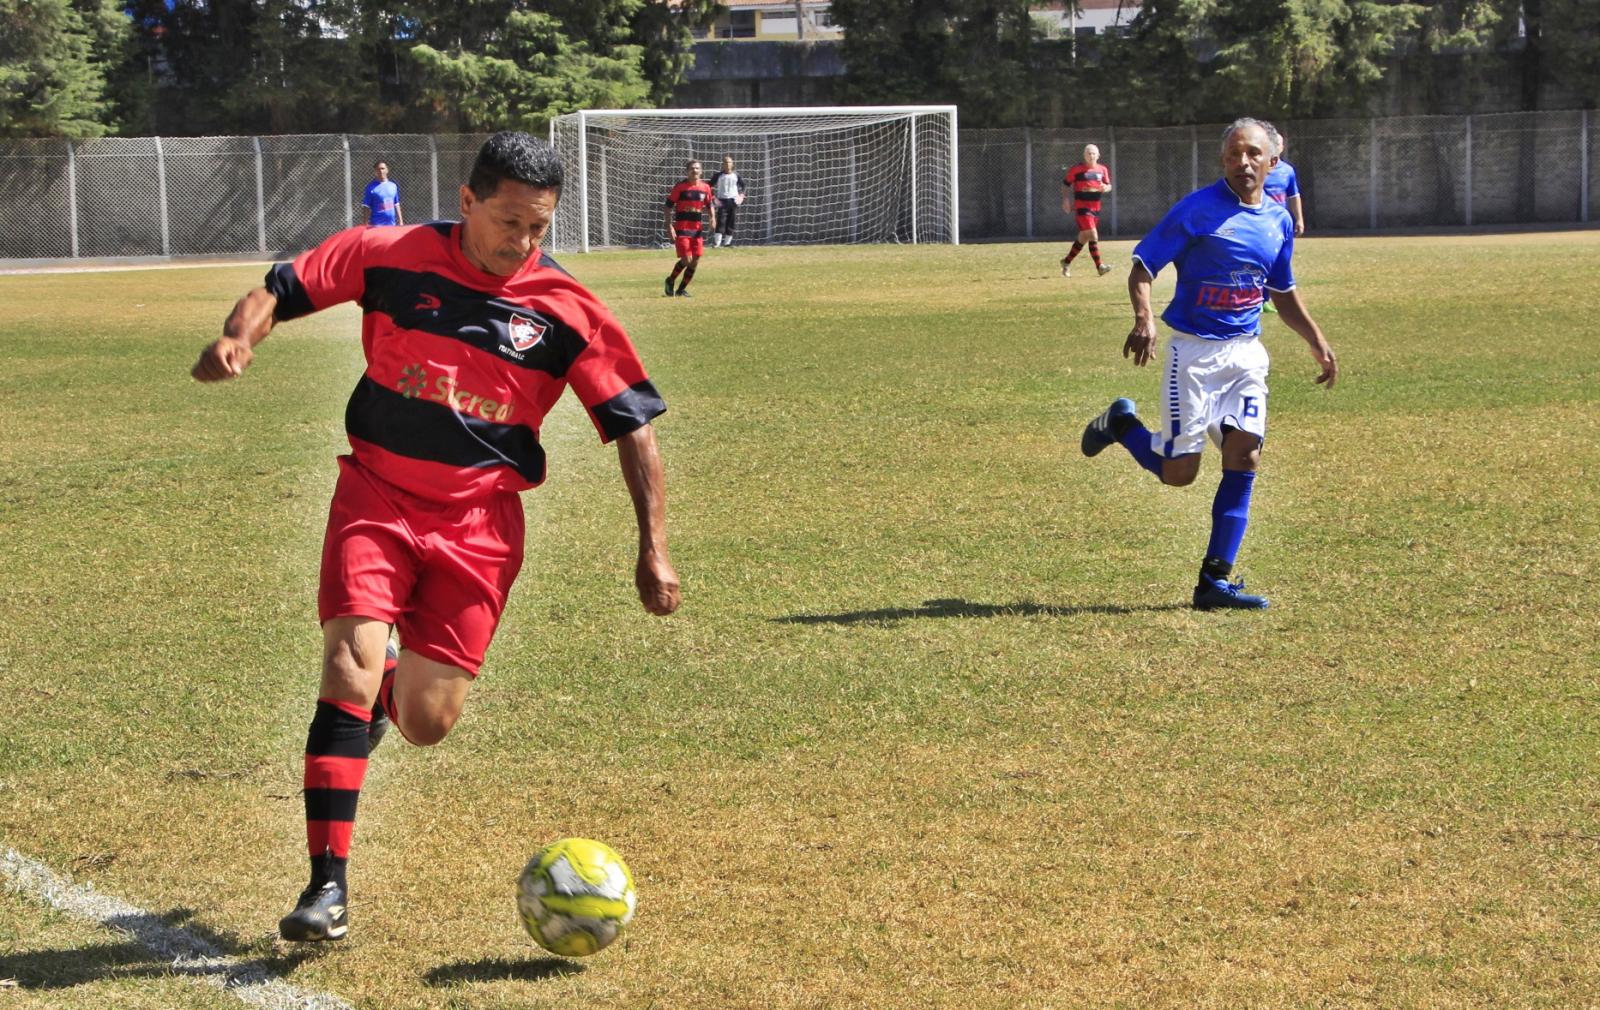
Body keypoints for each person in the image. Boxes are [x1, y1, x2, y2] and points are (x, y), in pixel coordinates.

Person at [191, 131, 681, 943]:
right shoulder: (391, 253)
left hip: (481, 527)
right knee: (344, 661)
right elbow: (280, 287)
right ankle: (327, 887)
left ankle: (393, 683)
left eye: (539, 226)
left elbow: (633, 426)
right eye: (510, 221)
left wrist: (652, 546)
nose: (523, 242)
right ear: (467, 201)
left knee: (425, 720)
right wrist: (240, 337)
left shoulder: (568, 310)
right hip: (376, 494)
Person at [1080, 117, 1337, 611]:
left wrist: (1317, 341)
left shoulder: (1279, 221)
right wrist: (1145, 319)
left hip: (1246, 355)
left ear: (1272, 162)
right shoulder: (1196, 211)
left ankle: (1213, 583)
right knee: (1181, 475)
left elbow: (1281, 294)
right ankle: (1121, 423)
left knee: (1245, 455)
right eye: (1234, 154)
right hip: (1194, 355)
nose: (1244, 162)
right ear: (1223, 159)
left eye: (1254, 154)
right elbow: (1142, 268)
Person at [1060, 144, 1114, 277]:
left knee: (1083, 238)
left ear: (1098, 155)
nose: (1091, 156)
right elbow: (1066, 184)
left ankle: (1066, 262)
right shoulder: (1077, 170)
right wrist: (1066, 200)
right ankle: (1100, 266)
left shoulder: (1102, 169)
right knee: (1093, 235)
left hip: (1095, 208)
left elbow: (1108, 186)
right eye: (1088, 153)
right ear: (1084, 155)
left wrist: (1105, 188)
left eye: (1093, 153)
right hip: (1082, 208)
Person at [663, 160, 715, 296]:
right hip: (682, 229)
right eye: (692, 168)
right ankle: (670, 280)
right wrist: (669, 226)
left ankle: (681, 290)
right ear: (687, 171)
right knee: (687, 260)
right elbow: (667, 206)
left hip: (697, 231)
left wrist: (712, 217)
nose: (695, 171)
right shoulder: (680, 187)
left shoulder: (705, 188)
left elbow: (710, 204)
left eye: (697, 168)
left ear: (701, 171)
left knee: (695, 261)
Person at [1263, 127, 1305, 236]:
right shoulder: (1258, 168)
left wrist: (1299, 219)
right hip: (1261, 218)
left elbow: (1294, 196)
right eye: (1272, 144)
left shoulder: (1288, 170)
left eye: (1278, 144)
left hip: (1279, 219)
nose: (1275, 147)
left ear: (1282, 147)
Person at [707, 154, 747, 248]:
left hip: (733, 201)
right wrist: (713, 197)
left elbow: (744, 186)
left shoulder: (736, 175)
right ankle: (717, 243)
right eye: (725, 162)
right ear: (722, 164)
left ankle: (727, 243)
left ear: (732, 164)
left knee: (731, 221)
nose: (727, 164)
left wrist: (741, 195)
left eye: (729, 162)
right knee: (721, 220)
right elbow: (708, 186)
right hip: (721, 201)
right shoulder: (718, 175)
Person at [361, 161, 403, 227]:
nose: (381, 171)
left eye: (383, 168)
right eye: (378, 169)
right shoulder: (370, 187)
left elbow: (396, 204)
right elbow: (366, 207)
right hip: (377, 226)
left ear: (387, 170)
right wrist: (365, 224)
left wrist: (400, 221)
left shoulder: (393, 186)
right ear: (375, 172)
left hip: (391, 225)